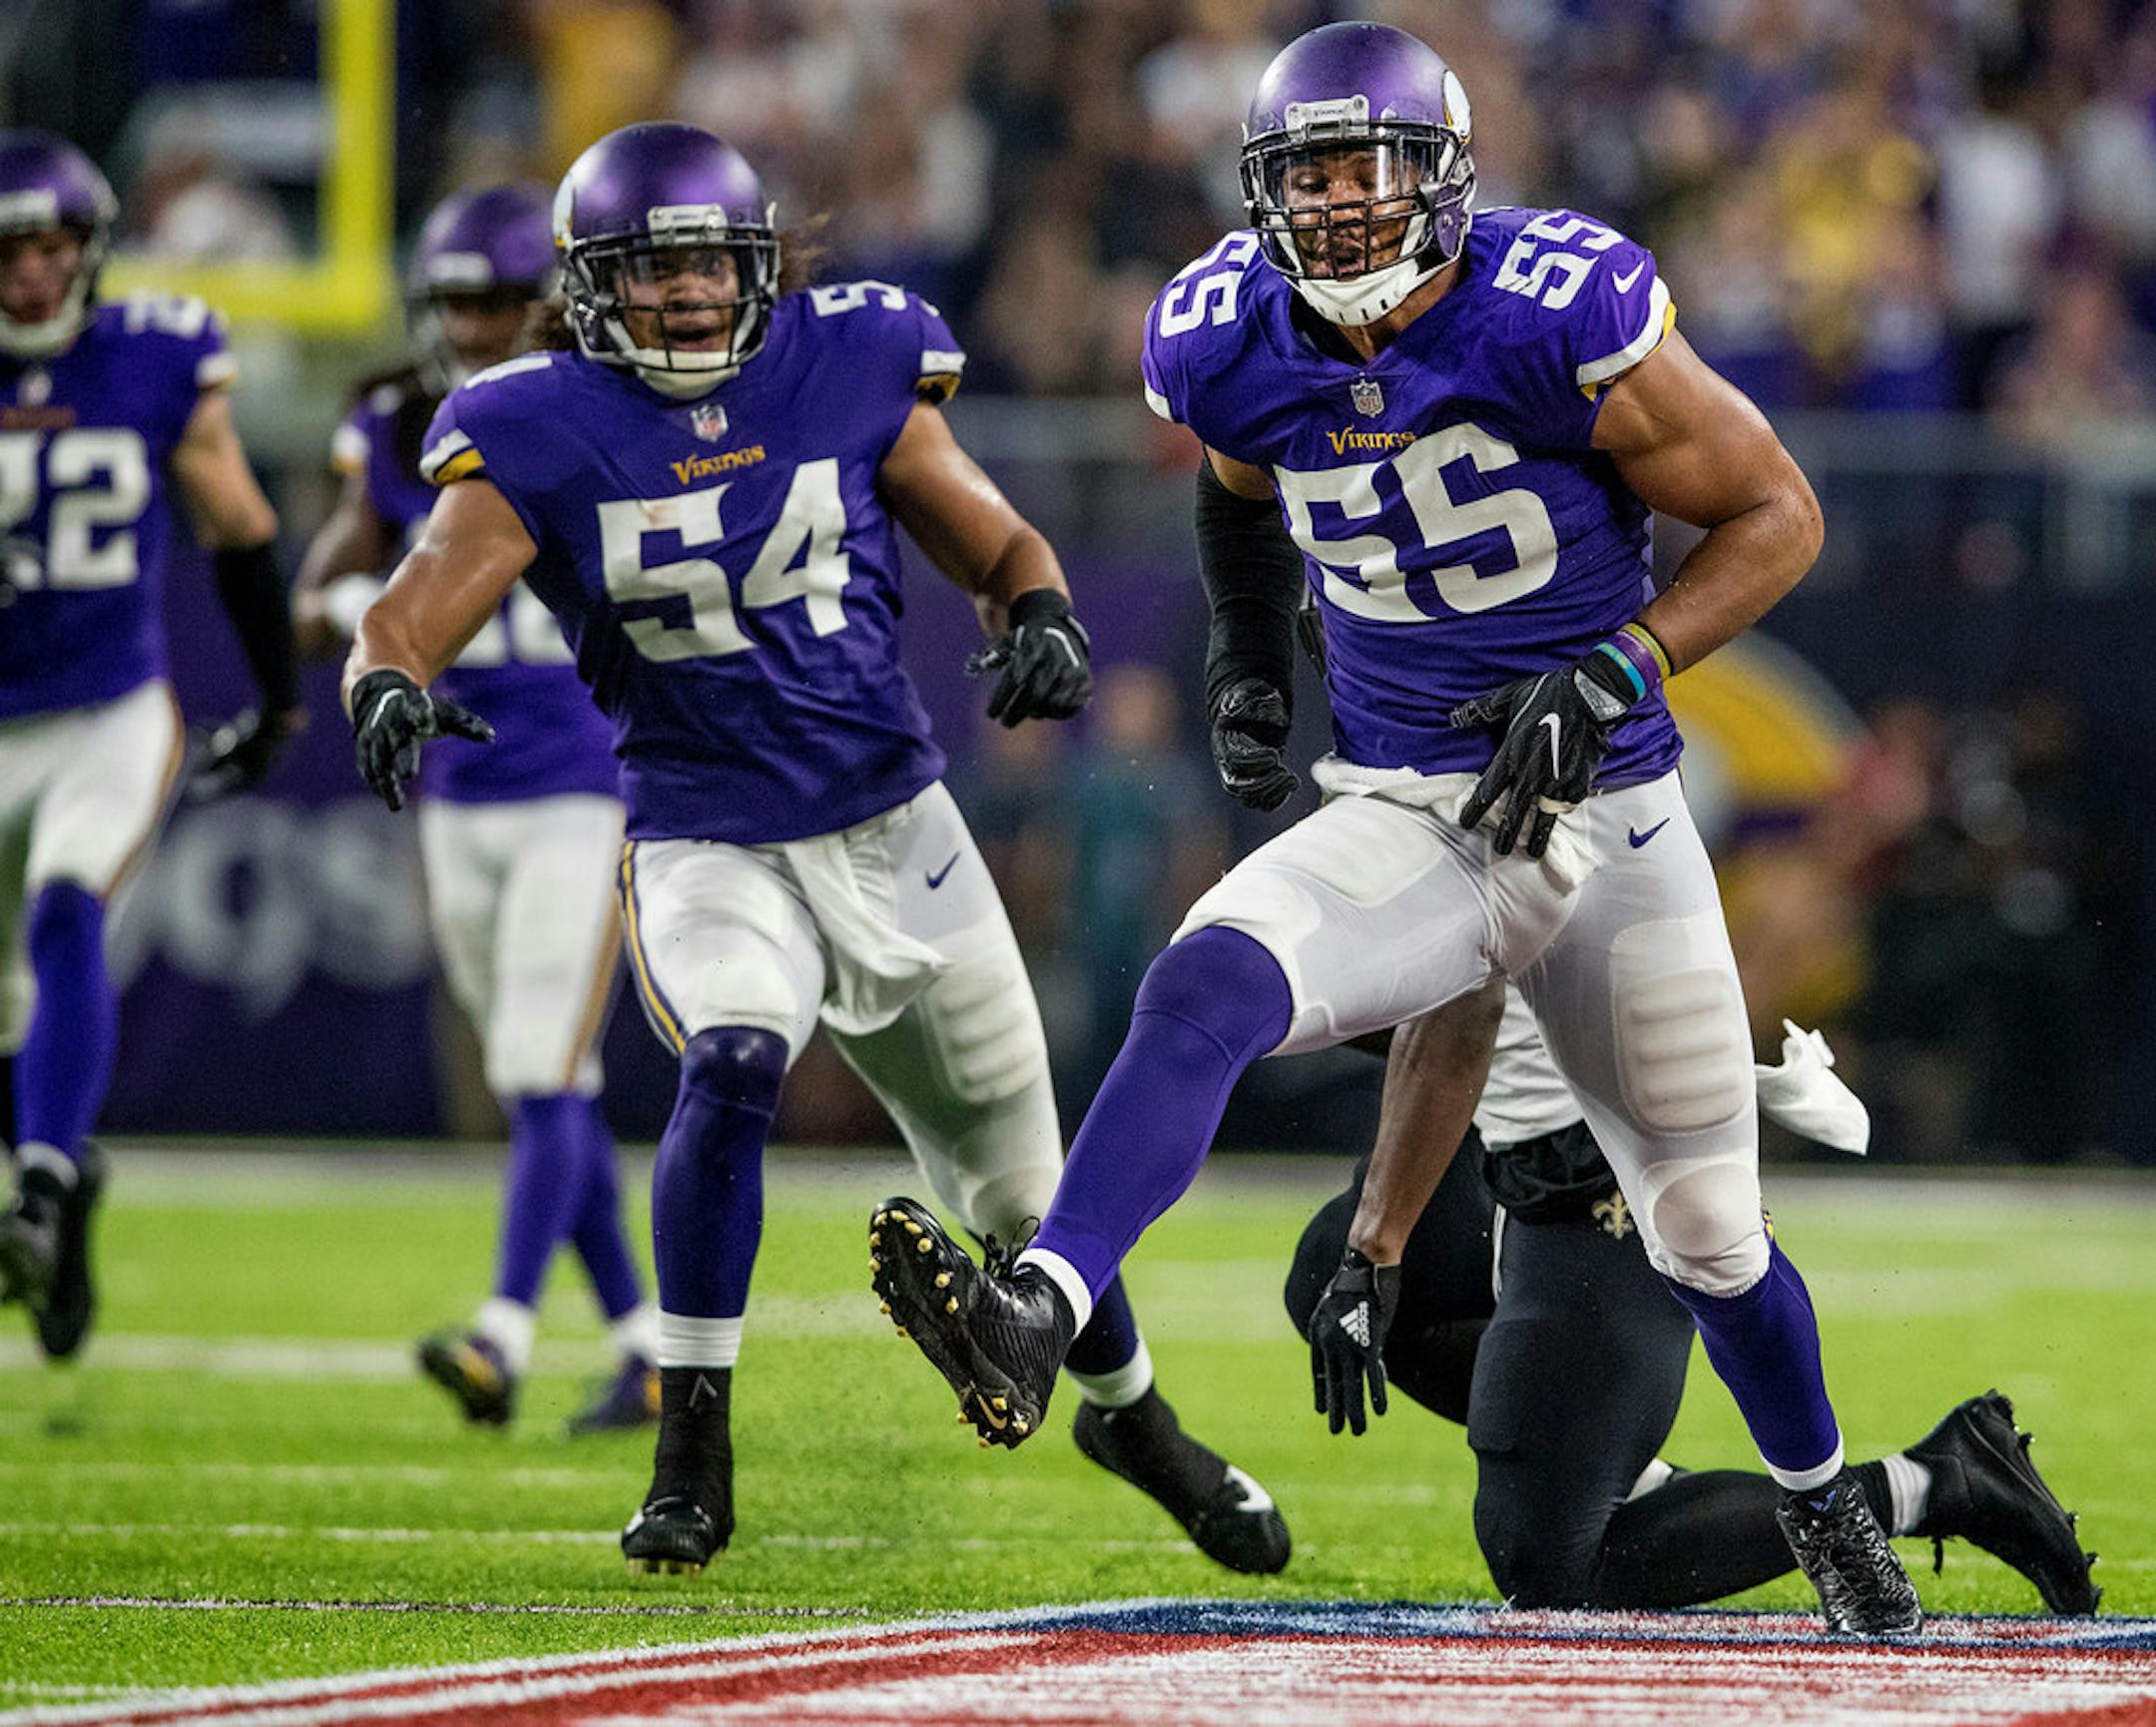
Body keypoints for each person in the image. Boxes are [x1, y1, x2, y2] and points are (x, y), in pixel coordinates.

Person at [872, 21, 1923, 1634]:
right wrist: (1244, 653)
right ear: (1260, 189)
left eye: (1369, 167)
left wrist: (1620, 666)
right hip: (1421, 807)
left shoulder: (1557, 306)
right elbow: (1235, 485)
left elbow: (1779, 511)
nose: (1341, 203)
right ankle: (1038, 1306)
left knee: (1710, 1233)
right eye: (1307, 176)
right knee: (1204, 978)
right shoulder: (1227, 331)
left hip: (1607, 814)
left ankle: (1830, 1502)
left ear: (1444, 174)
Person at [339, 121, 1289, 1578]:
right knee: (732, 1055)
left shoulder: (845, 360)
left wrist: (1039, 611)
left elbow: (995, 539)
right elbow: (409, 605)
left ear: (759, 265)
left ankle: (1138, 1421)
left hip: (895, 824)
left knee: (1026, 1204)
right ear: (589, 289)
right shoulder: (538, 421)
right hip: (708, 841)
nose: (687, 295)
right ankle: (691, 1446)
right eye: (651, 271)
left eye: (710, 264)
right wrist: (387, 679)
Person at [1282, 985, 2101, 1614]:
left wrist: (1287, 985)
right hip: (1511, 1129)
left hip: (1604, 1164)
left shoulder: (1556, 830)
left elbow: (1465, 993)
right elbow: (1433, 1000)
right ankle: (1606, 1461)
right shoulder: (1428, 819)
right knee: (1331, 1280)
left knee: (1549, 1563)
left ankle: (1934, 1481)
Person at [294, 183, 660, 1436]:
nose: (473, 324)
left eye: (498, 300)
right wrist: (352, 616)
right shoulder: (404, 424)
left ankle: (502, 1334)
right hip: (456, 795)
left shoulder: (602, 409)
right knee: (544, 1080)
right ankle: (646, 1348)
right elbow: (318, 593)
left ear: (549, 301)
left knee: (536, 1066)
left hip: (583, 787)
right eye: (455, 302)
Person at [0, 130, 300, 1360]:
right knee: (7, 1018)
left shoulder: (152, 354)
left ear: (93, 249)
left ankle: (40, 1188)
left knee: (68, 904)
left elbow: (238, 524)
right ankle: (65, 1188)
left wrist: (278, 698)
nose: (33, 272)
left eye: (53, 245)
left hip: (108, 709)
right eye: (12, 250)